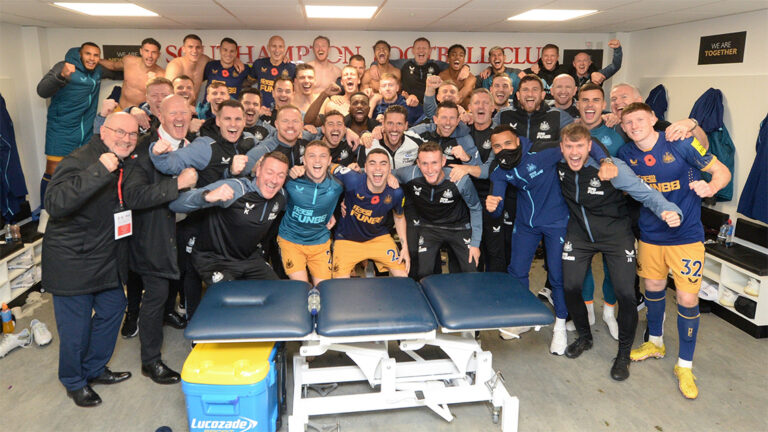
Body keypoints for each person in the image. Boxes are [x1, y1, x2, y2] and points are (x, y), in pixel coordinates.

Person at [617, 102, 731, 399]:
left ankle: (685, 364)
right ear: (623, 127)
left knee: (686, 297)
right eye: (628, 123)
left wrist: (711, 187)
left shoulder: (679, 142)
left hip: (686, 237)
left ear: (654, 119)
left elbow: (721, 171)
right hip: (651, 235)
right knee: (652, 287)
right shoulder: (625, 155)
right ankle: (655, 342)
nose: (634, 126)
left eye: (639, 119)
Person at [557, 122, 682, 381]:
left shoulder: (611, 168)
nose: (574, 152)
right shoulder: (557, 164)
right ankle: (585, 336)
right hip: (580, 235)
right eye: (569, 147)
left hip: (616, 236)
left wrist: (669, 210)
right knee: (569, 286)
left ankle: (623, 353)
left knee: (626, 294)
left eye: (580, 146)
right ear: (562, 147)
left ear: (590, 146)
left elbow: (645, 193)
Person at [485, 124, 615, 352]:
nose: (503, 149)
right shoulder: (499, 170)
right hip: (526, 224)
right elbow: (497, 206)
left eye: (507, 143)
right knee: (516, 271)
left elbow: (584, 146)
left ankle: (560, 326)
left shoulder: (544, 151)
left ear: (517, 141)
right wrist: (492, 206)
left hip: (557, 222)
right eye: (497, 146)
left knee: (557, 275)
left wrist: (606, 161)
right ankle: (523, 319)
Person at [43, 112, 138, 407]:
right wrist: (97, 170)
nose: (126, 139)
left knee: (114, 308)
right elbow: (55, 203)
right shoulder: (81, 159)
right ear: (104, 132)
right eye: (120, 132)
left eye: (132, 135)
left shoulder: (124, 159)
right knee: (76, 328)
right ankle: (73, 381)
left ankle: (95, 369)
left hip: (105, 256)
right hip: (73, 260)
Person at [122, 95, 198, 385]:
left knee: (173, 285)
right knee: (154, 296)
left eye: (184, 113)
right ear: (159, 116)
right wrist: (176, 184)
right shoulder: (144, 151)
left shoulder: (190, 146)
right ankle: (150, 362)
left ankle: (169, 313)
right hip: (152, 237)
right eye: (173, 113)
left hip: (182, 231)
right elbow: (133, 196)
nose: (180, 118)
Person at [169, 151, 289, 284]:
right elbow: (175, 204)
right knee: (235, 300)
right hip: (215, 260)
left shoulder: (281, 196)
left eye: (281, 175)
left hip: (248, 258)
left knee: (277, 292)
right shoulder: (236, 189)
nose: (274, 180)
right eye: (270, 172)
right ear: (259, 170)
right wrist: (206, 197)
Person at [567, 82, 628, 338]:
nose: (589, 105)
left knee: (612, 268)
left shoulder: (616, 135)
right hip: (579, 214)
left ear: (603, 105)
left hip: (613, 215)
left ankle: (609, 313)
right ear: (577, 104)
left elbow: (628, 172)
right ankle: (588, 309)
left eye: (595, 100)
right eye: (585, 100)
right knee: (582, 269)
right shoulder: (568, 133)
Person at [37, 42, 121, 206]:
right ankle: (45, 212)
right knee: (53, 172)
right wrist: (60, 76)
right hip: (61, 130)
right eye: (88, 54)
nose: (92, 58)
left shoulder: (97, 70)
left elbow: (116, 72)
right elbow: (42, 91)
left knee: (84, 172)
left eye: (96, 55)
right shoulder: (64, 66)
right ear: (80, 55)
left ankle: (77, 209)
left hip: (86, 131)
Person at [394, 142, 482, 279]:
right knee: (423, 273)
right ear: (418, 163)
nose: (429, 169)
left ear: (443, 161)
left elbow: (476, 208)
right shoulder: (410, 174)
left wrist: (475, 244)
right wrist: (388, 176)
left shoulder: (459, 179)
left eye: (434, 163)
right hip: (430, 228)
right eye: (424, 163)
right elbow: (382, 172)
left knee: (471, 270)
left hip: (458, 228)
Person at [330, 149, 409, 277]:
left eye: (383, 164)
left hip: (378, 238)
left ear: (390, 169)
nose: (378, 168)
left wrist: (405, 247)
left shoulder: (396, 192)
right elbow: (328, 165)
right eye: (372, 163)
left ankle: (370, 263)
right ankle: (368, 264)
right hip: (347, 240)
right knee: (339, 286)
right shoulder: (352, 179)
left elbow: (399, 217)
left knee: (404, 278)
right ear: (365, 168)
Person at [278, 140, 343, 285]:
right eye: (312, 156)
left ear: (329, 161)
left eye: (322, 156)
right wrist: (289, 172)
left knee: (324, 289)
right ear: (304, 161)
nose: (317, 160)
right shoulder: (290, 180)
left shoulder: (338, 183)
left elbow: (367, 180)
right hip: (291, 241)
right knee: (302, 288)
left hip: (320, 242)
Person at [608, 83, 709, 148]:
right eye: (613, 99)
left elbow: (703, 147)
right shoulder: (606, 124)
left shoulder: (661, 127)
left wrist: (692, 124)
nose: (617, 102)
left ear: (638, 101)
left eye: (624, 97)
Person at [165, 34, 243, 105]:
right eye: (190, 47)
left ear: (202, 49)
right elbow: (167, 93)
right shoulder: (175, 65)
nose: (194, 51)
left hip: (194, 109)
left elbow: (224, 61)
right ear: (183, 49)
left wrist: (235, 60)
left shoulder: (204, 60)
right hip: (176, 107)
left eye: (198, 47)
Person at [98, 38, 165, 109]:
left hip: (141, 116)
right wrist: (97, 59)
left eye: (154, 52)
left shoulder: (162, 75)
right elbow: (113, 66)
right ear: (141, 51)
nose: (150, 56)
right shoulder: (129, 61)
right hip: (120, 109)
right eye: (146, 51)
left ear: (158, 55)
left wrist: (154, 87)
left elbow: (161, 102)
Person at [365, 105, 420, 170]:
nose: (394, 129)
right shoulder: (369, 144)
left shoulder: (416, 143)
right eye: (390, 123)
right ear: (383, 124)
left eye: (399, 124)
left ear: (406, 125)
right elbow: (361, 173)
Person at [249, 35, 296, 110]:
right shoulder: (259, 64)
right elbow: (248, 82)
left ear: (284, 49)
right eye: (274, 46)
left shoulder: (291, 68)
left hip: (283, 110)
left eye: (280, 47)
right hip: (262, 111)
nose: (277, 50)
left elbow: (296, 91)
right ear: (268, 47)